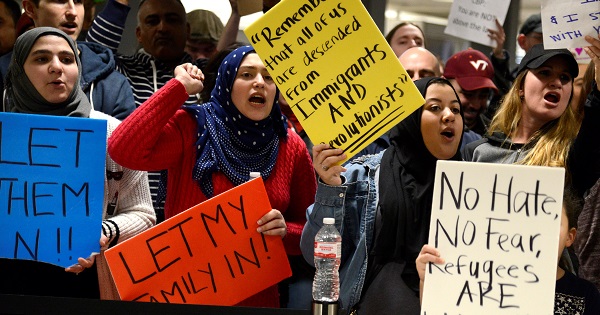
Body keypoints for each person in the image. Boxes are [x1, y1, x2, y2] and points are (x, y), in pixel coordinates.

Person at [107, 45, 317, 307]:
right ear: (226, 82)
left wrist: (286, 231)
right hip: (186, 296)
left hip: (259, 299)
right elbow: (123, 150)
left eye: (269, 77)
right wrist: (177, 89)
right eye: (247, 75)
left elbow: (313, 232)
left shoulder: (290, 144)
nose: (260, 83)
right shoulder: (192, 126)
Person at [0, 27, 155, 299]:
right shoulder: (4, 135)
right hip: (10, 284)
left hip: (89, 285)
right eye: (41, 59)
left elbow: (144, 214)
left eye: (67, 59)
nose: (56, 68)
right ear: (19, 70)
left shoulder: (112, 133)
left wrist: (100, 232)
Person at [300, 77, 464, 314]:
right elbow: (313, 255)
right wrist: (330, 190)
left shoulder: (472, 188)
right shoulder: (362, 176)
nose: (449, 115)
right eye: (435, 107)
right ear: (411, 118)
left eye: (456, 109)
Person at [416, 187, 600, 313]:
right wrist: (428, 281)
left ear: (570, 236)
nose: (541, 230)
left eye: (553, 222)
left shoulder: (584, 294)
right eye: (534, 221)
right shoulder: (484, 281)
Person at [0, 0, 136, 121]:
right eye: (60, 1)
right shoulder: (3, 72)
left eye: (78, 2)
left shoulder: (113, 85)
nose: (72, 11)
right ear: (30, 8)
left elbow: (126, 146)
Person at [462, 44, 579, 168]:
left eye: (564, 77)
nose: (557, 83)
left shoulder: (574, 155)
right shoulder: (476, 151)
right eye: (545, 72)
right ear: (520, 87)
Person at [444, 48, 499, 137]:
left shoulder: (495, 136)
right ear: (444, 85)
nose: (476, 105)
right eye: (468, 94)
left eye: (483, 96)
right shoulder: (424, 129)